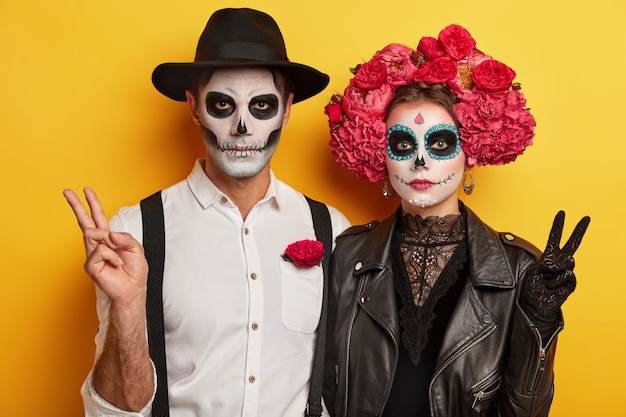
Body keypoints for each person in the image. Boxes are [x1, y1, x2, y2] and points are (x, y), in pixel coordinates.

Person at [64, 8, 350, 416]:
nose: (242, 127)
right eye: (222, 104)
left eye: (262, 106)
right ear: (194, 107)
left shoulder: (332, 230)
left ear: (287, 109)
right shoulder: (134, 232)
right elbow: (115, 412)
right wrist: (128, 307)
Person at [322, 24, 589, 416]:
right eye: (402, 144)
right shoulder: (348, 255)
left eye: (440, 143)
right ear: (382, 155)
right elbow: (325, 385)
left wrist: (540, 322)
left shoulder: (518, 269)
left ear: (471, 152)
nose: (419, 160)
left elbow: (524, 412)